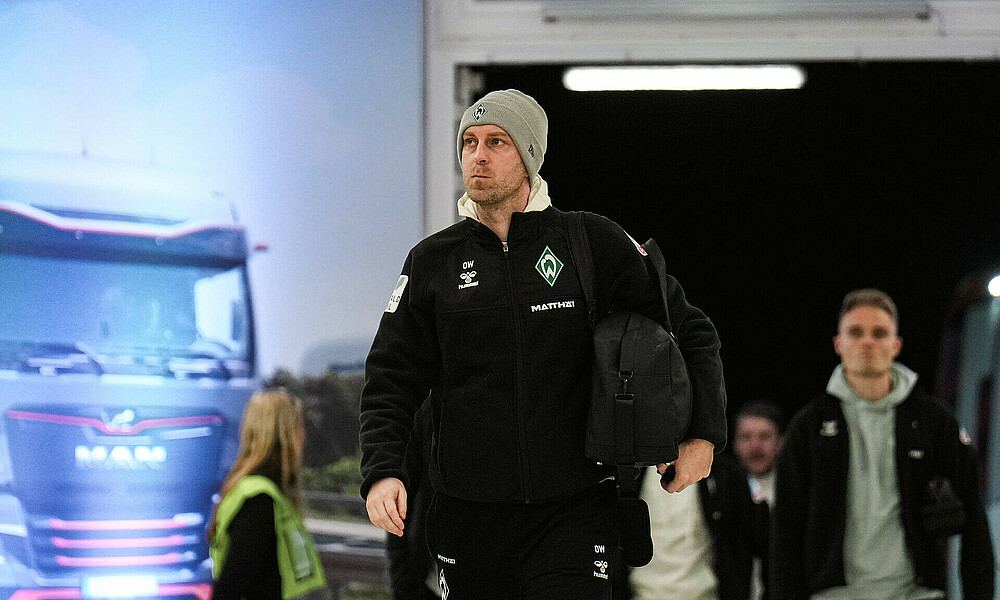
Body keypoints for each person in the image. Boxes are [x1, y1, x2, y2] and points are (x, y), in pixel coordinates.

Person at [359, 88, 728, 598]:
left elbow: (691, 331)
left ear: (530, 155)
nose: (478, 155)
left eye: (497, 142)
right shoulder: (432, 262)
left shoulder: (591, 242)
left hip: (574, 514)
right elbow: (389, 379)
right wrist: (383, 472)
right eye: (469, 142)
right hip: (467, 520)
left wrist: (702, 436)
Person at [771, 288, 995, 600]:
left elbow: (974, 520)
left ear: (896, 344)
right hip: (833, 595)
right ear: (838, 344)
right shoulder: (808, 428)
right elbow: (785, 531)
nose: (868, 342)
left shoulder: (934, 421)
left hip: (917, 593)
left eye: (879, 333)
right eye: (855, 332)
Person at [209, 389, 327, 600]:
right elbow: (230, 588)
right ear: (285, 434)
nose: (303, 435)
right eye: (298, 426)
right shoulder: (258, 499)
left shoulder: (257, 491)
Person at [618, 453, 764, 600]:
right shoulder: (627, 469)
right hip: (640, 593)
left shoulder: (725, 473)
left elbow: (742, 547)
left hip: (706, 594)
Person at [732, 399, 783, 600]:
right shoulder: (722, 494)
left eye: (764, 437)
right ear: (734, 444)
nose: (755, 446)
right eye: (746, 437)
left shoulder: (795, 491)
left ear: (780, 442)